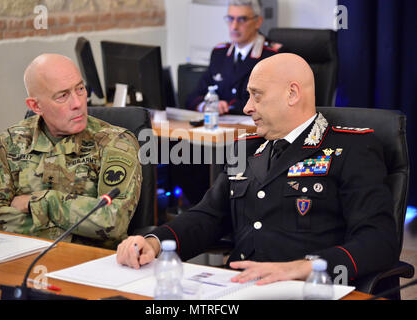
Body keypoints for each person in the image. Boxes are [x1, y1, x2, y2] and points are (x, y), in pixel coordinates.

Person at [116, 53, 398, 286]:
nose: (248, 107)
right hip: (238, 287)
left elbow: (378, 240)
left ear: (292, 94)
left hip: (305, 290)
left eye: (257, 96)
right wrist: (155, 242)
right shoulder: (247, 147)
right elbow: (209, 216)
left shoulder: (350, 148)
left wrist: (303, 268)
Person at [0, 54, 142, 249]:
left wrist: (42, 203)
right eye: (63, 96)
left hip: (89, 264)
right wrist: (71, 228)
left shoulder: (115, 142)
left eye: (80, 89)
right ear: (35, 106)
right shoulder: (10, 142)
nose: (78, 103)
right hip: (19, 258)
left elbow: (113, 221)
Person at [186, 0, 284, 115]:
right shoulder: (219, 54)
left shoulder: (272, 56)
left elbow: (269, 104)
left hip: (254, 129)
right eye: (230, 19)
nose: (234, 26)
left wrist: (227, 106)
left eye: (242, 20)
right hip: (221, 128)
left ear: (258, 22)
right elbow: (193, 97)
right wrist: (206, 105)